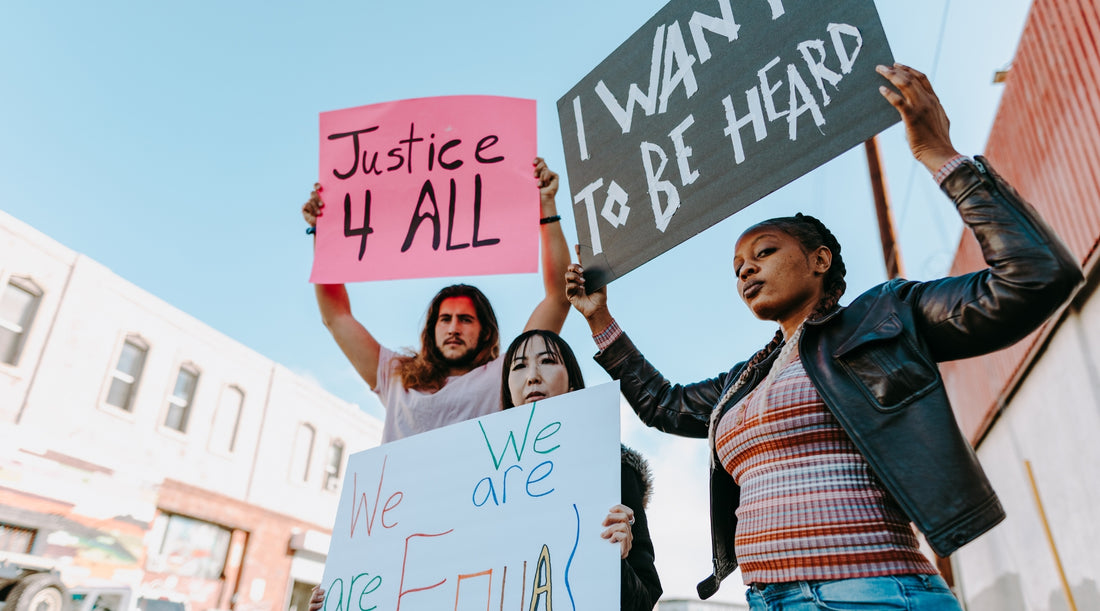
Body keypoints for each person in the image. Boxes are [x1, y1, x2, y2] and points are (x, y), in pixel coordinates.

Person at [564, 63, 1083, 609]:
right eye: (737, 264)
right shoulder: (744, 382)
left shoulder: (883, 316)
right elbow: (665, 406)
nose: (744, 269)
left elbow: (1035, 276)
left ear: (819, 259)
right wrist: (599, 319)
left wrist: (940, 155)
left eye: (763, 252)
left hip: (873, 594)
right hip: (769, 599)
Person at [302, 157, 571, 444]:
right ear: (432, 328)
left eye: (466, 319)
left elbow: (557, 298)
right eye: (445, 319)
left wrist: (547, 206)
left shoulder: (504, 375)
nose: (454, 328)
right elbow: (336, 316)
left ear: (486, 332)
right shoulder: (395, 376)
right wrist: (323, 231)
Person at [501, 329, 662, 611]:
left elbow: (643, 601)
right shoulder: (481, 485)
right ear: (508, 391)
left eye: (547, 361)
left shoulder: (614, 470)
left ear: (573, 386)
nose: (533, 376)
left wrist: (617, 563)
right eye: (519, 366)